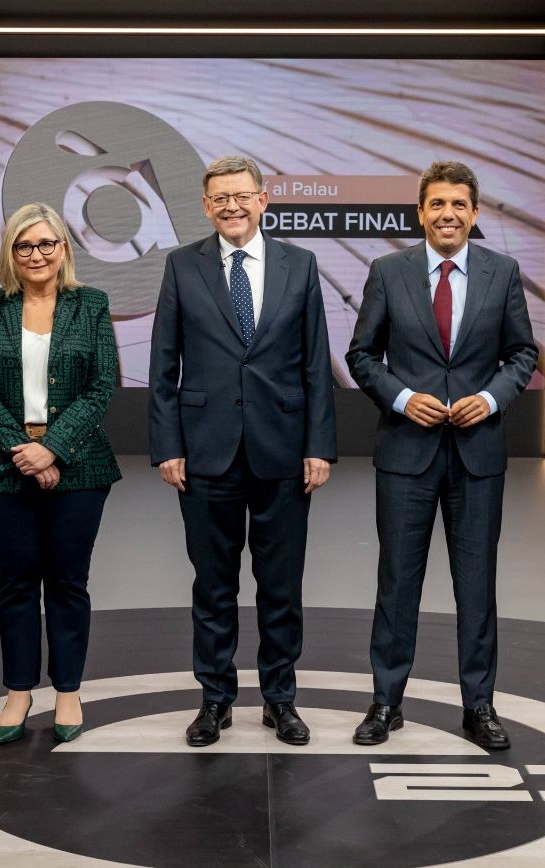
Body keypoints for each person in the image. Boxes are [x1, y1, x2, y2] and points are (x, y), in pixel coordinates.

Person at [346, 160, 538, 750]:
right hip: (407, 452)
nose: (448, 214)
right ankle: (386, 702)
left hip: (478, 455)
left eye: (459, 204)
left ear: (474, 214)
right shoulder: (388, 271)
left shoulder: (503, 272)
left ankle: (478, 705)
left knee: (476, 585)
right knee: (397, 583)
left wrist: (489, 398)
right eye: (437, 204)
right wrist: (403, 399)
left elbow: (523, 354)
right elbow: (361, 356)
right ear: (420, 212)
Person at [148, 155, 337, 747]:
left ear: (263, 200)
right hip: (205, 454)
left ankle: (280, 699)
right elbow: (162, 368)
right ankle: (215, 700)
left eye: (242, 196)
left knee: (281, 585)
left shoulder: (300, 266)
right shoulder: (182, 267)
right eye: (219, 198)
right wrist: (167, 447)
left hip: (283, 452)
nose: (231, 206)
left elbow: (315, 365)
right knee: (213, 584)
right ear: (206, 206)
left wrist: (319, 446)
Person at [0, 202, 120, 744]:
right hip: (4, 468)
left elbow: (102, 386)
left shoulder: (91, 305)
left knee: (69, 583)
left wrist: (52, 448)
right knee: (16, 584)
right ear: (11, 252)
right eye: (24, 245)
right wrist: (20, 449)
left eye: (46, 244)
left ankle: (69, 691)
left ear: (64, 250)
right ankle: (18, 692)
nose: (36, 255)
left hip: (80, 465)